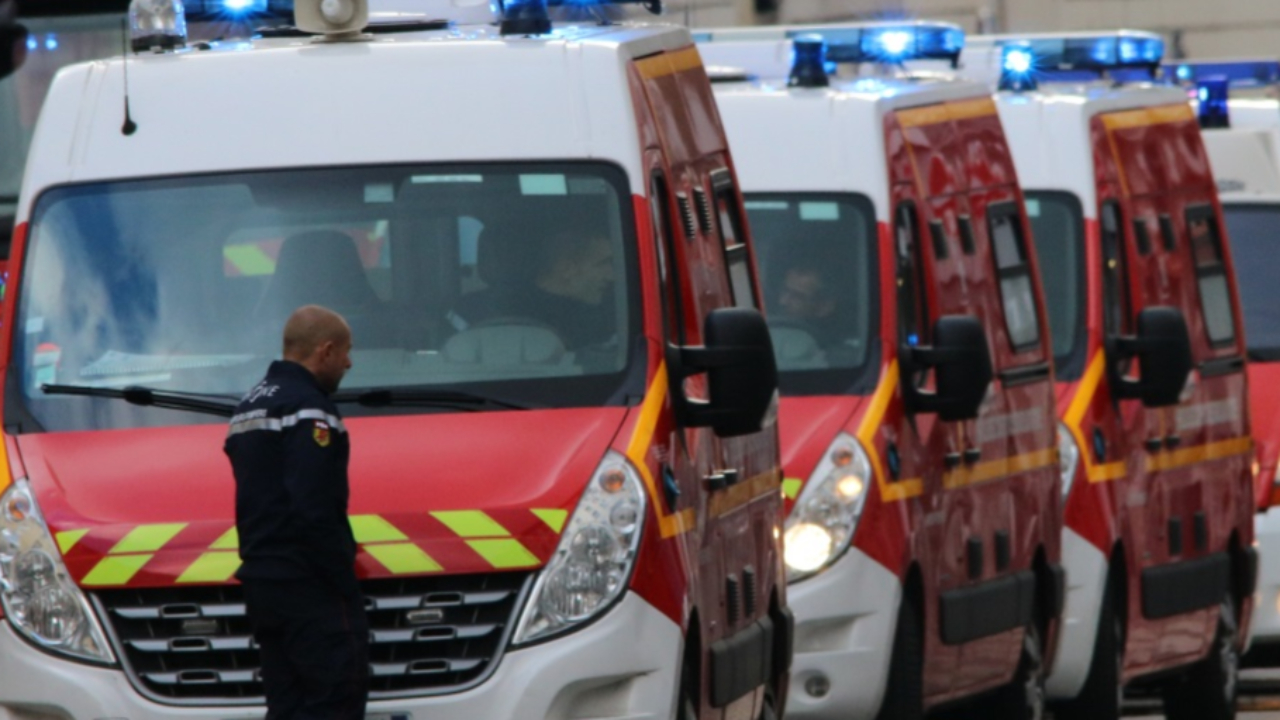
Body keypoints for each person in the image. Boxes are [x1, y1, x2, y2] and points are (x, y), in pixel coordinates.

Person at [224, 305, 367, 720]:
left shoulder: (248, 406)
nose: (349, 362)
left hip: (263, 584)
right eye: (345, 352)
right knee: (334, 701)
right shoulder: (310, 409)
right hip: (310, 586)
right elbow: (313, 505)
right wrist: (342, 575)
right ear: (324, 351)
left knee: (286, 706)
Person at [453, 229, 617, 349]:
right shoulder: (474, 309)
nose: (612, 276)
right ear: (567, 269)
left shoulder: (609, 319)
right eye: (603, 264)